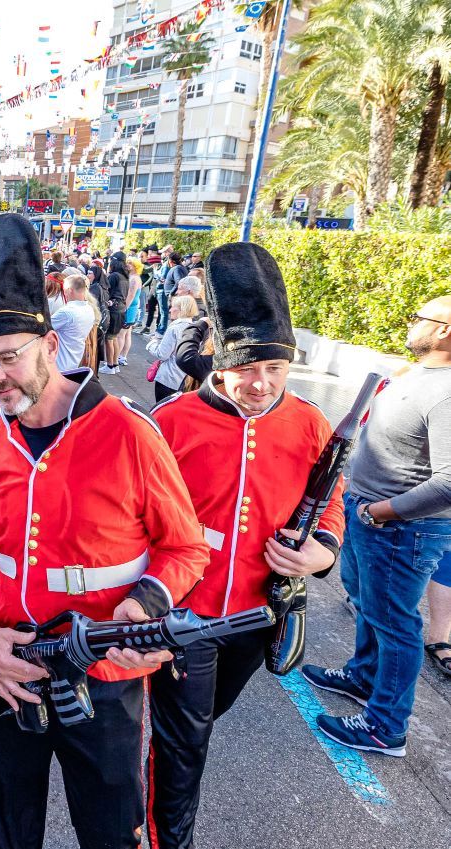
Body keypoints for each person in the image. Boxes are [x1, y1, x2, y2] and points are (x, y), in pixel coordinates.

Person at [0, 214, 209, 849]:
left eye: (8, 357)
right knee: (13, 828)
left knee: (110, 830)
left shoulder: (127, 431)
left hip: (107, 681)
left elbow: (186, 546)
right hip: (13, 667)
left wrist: (141, 604)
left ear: (47, 342)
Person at [146, 242, 345, 849]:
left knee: (203, 720)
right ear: (219, 362)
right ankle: (164, 838)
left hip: (257, 615)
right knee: (185, 745)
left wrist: (324, 551)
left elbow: (329, 498)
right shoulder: (171, 421)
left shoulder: (311, 424)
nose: (260, 385)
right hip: (184, 614)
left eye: (275, 371)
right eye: (246, 369)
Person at [303, 295, 451, 755]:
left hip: (401, 528)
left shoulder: (447, 392)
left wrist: (379, 512)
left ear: (444, 330)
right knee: (370, 605)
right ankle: (363, 677)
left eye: (420, 318)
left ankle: (385, 727)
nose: (411, 325)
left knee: (395, 623)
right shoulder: (420, 375)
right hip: (373, 518)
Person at [147, 295, 198, 401]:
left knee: (162, 411)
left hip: (169, 378)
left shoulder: (175, 329)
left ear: (181, 310)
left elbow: (162, 354)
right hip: (186, 380)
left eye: (173, 307)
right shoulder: (196, 328)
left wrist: (152, 343)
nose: (170, 310)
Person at [51, 273, 97, 373]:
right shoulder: (89, 309)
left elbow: (44, 327)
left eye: (64, 290)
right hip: (74, 361)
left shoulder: (67, 312)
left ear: (69, 290)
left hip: (59, 365)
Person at [100, 251, 129, 374]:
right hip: (121, 309)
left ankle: (110, 365)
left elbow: (107, 291)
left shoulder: (114, 276)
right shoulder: (125, 277)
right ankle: (114, 364)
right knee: (114, 338)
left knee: (109, 339)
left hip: (114, 309)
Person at [117, 257, 143, 366]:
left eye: (130, 263)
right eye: (127, 263)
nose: (127, 265)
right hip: (132, 307)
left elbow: (131, 295)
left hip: (130, 308)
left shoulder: (134, 279)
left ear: (135, 266)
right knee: (127, 334)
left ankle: (117, 357)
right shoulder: (134, 277)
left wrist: (124, 308)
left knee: (121, 334)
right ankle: (122, 357)